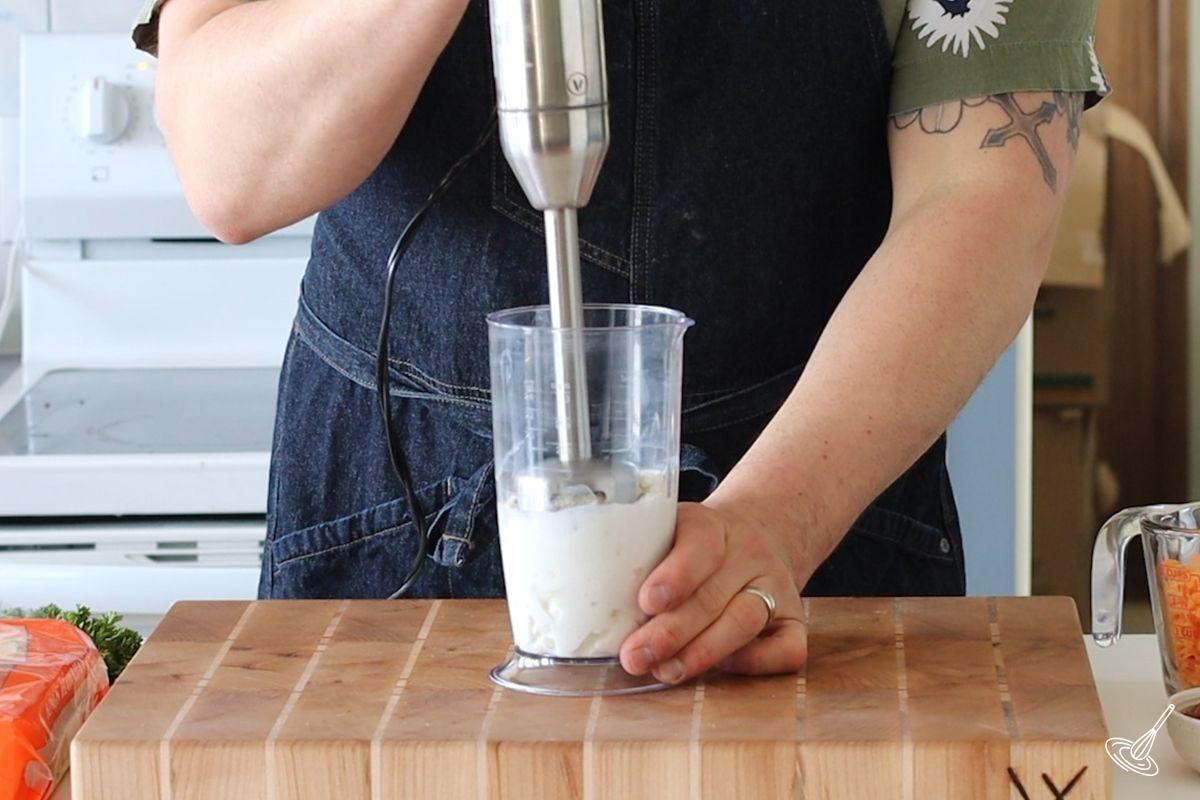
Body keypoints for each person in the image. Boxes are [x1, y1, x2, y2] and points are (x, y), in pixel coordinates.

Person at [134, 0, 1108, 687]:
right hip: (391, 527)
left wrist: (777, 518)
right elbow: (230, 168)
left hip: (808, 520)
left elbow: (982, 198)